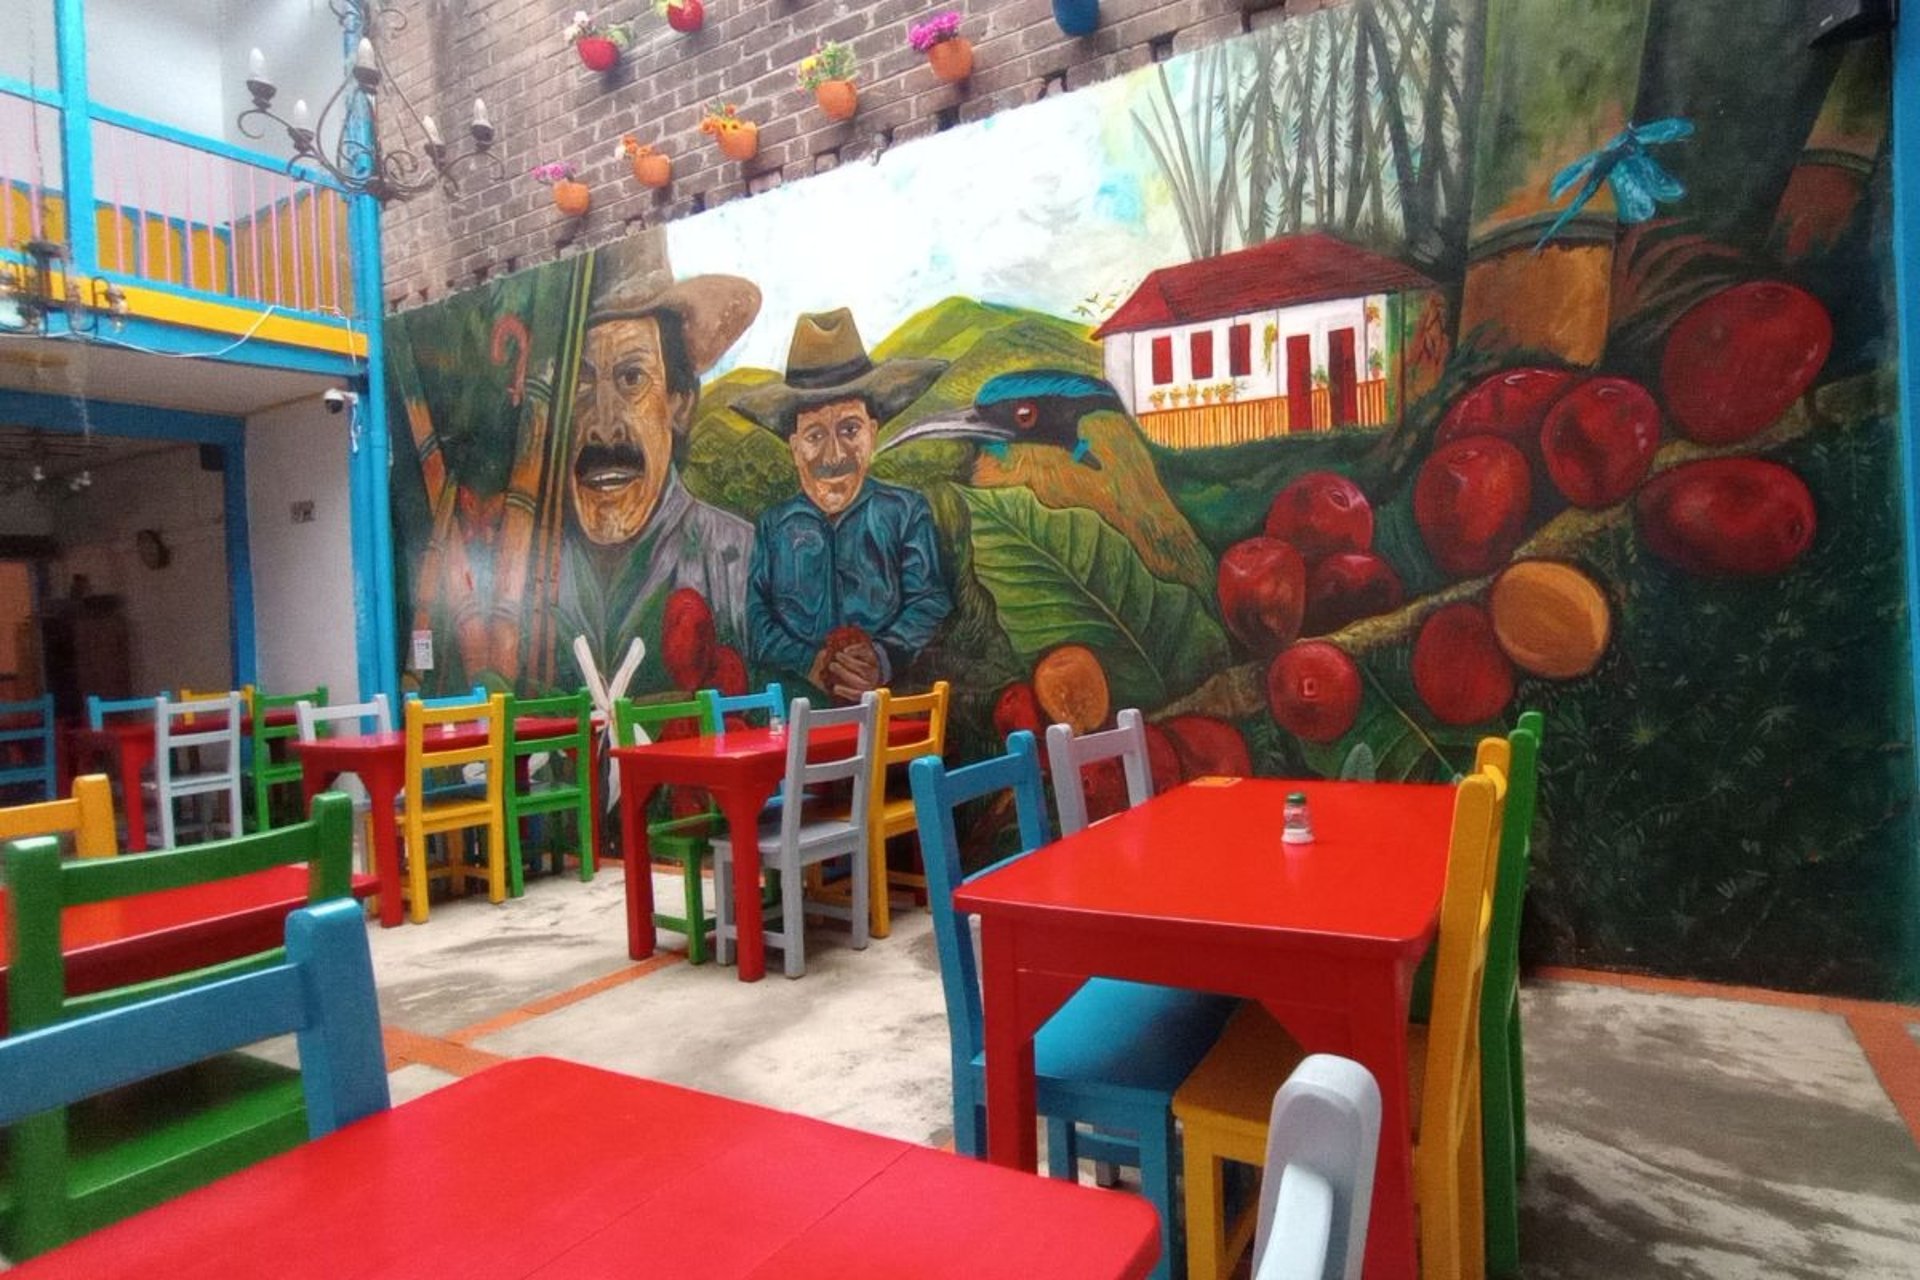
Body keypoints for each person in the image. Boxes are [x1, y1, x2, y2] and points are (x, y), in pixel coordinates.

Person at [552, 236, 762, 687]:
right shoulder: (533, 570)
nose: (603, 426)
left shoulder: (739, 558)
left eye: (631, 378)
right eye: (582, 384)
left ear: (680, 405)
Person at [734, 309, 953, 700]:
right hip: (797, 714)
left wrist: (882, 658)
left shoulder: (904, 512)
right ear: (795, 447)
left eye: (850, 430)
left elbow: (930, 601)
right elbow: (757, 623)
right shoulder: (775, 526)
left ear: (872, 433)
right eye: (815, 435)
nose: (834, 456)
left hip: (888, 710)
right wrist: (809, 662)